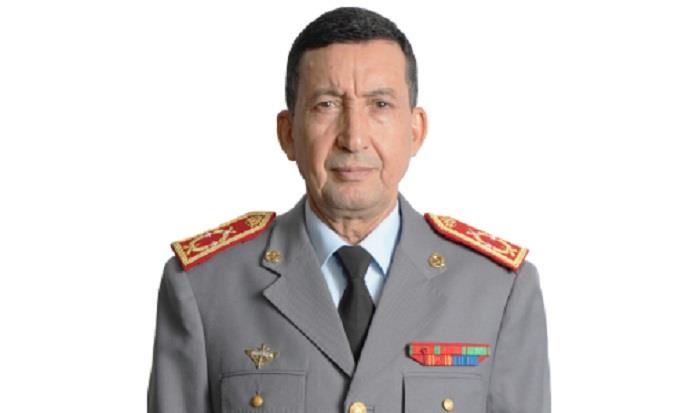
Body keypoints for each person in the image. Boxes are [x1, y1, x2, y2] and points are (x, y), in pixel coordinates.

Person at [147, 7, 550, 413]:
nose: (354, 138)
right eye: (326, 104)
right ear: (288, 134)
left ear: (415, 131)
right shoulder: (205, 286)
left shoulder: (497, 290)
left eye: (380, 104)